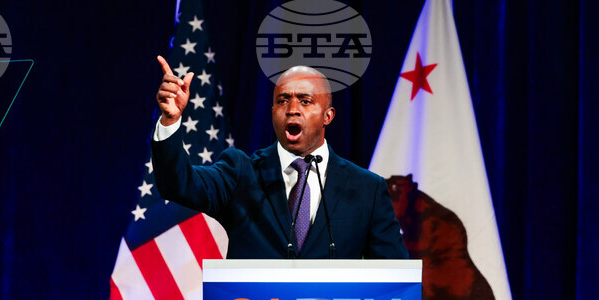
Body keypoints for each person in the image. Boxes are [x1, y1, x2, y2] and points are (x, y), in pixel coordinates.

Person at [152, 55, 408, 260]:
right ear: (273, 111)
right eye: (283, 101)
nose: (292, 109)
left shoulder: (366, 188)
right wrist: (170, 121)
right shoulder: (240, 173)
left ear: (328, 116)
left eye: (305, 101)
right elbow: (179, 185)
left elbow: (392, 268)